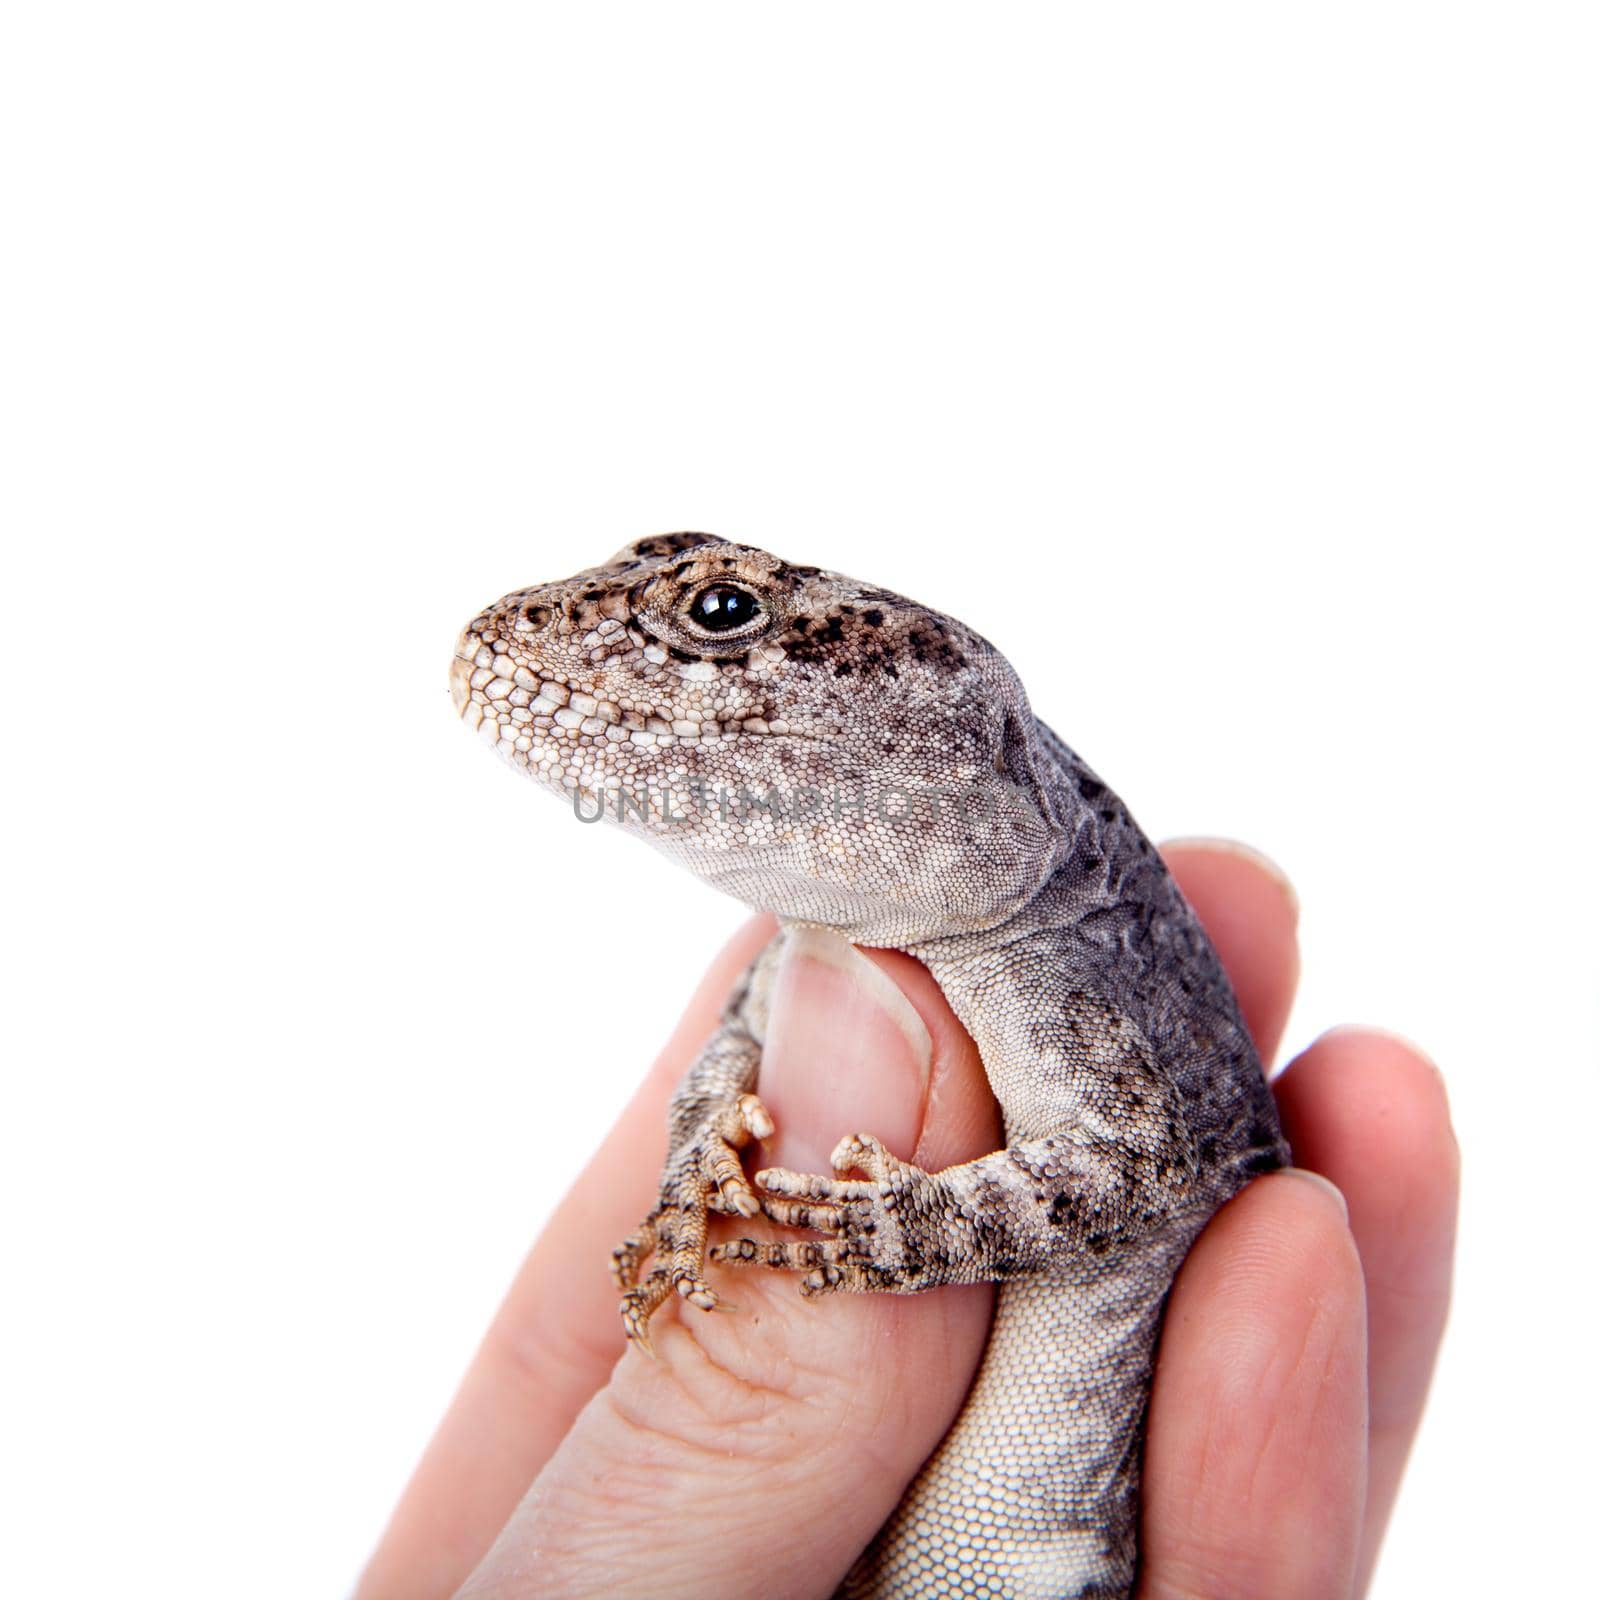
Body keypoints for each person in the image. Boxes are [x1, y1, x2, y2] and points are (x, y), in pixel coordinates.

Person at [358, 840, 1459, 1600]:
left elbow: (1124, 1169)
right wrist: (703, 1142)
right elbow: (727, 1046)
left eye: (723, 620)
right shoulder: (821, 928)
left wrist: (889, 1230)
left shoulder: (1051, 931)